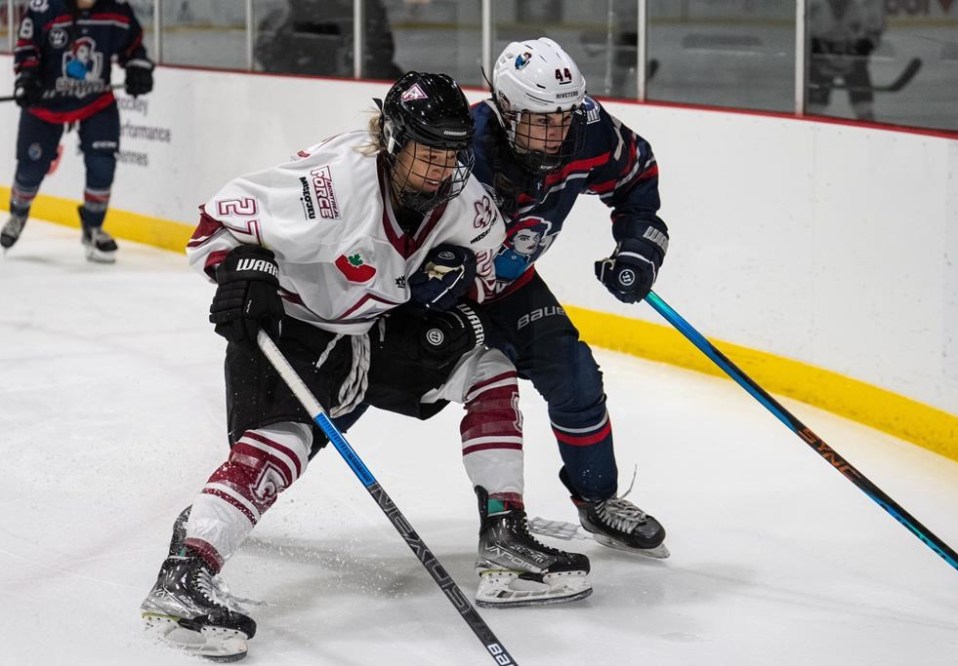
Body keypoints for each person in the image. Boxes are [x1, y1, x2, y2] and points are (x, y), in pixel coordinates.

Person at [139, 72, 589, 661]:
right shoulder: (334, 183)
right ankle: (184, 573)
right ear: (394, 141)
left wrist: (457, 295)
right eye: (427, 152)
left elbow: (484, 273)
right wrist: (243, 268)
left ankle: (504, 536)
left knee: (490, 370)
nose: (439, 169)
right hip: (294, 332)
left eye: (452, 154)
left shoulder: (464, 201)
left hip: (374, 333)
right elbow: (216, 226)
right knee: (282, 446)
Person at [469, 38, 669, 559]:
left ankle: (597, 500)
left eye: (563, 116)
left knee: (575, 375)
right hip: (430, 294)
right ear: (506, 107)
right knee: (356, 392)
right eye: (541, 119)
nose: (557, 131)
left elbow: (636, 176)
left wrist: (637, 249)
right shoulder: (464, 145)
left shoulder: (586, 129)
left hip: (508, 288)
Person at [1, 0, 154, 263]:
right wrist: (26, 79)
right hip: (45, 106)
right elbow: (27, 46)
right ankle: (19, 212)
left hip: (95, 102)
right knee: (30, 169)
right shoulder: (43, 7)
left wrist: (138, 67)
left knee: (102, 164)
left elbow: (133, 46)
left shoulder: (116, 9)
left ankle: (93, 227)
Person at [255, 0, 404, 80]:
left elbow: (382, 50)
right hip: (302, 86)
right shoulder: (288, 17)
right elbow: (265, 54)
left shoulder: (366, 8)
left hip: (348, 85)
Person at [807, 0, 885, 121]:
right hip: (821, 62)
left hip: (854, 62)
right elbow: (804, 37)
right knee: (814, 108)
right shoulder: (814, 6)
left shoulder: (865, 6)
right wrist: (819, 61)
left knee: (863, 108)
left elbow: (873, 37)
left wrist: (857, 58)